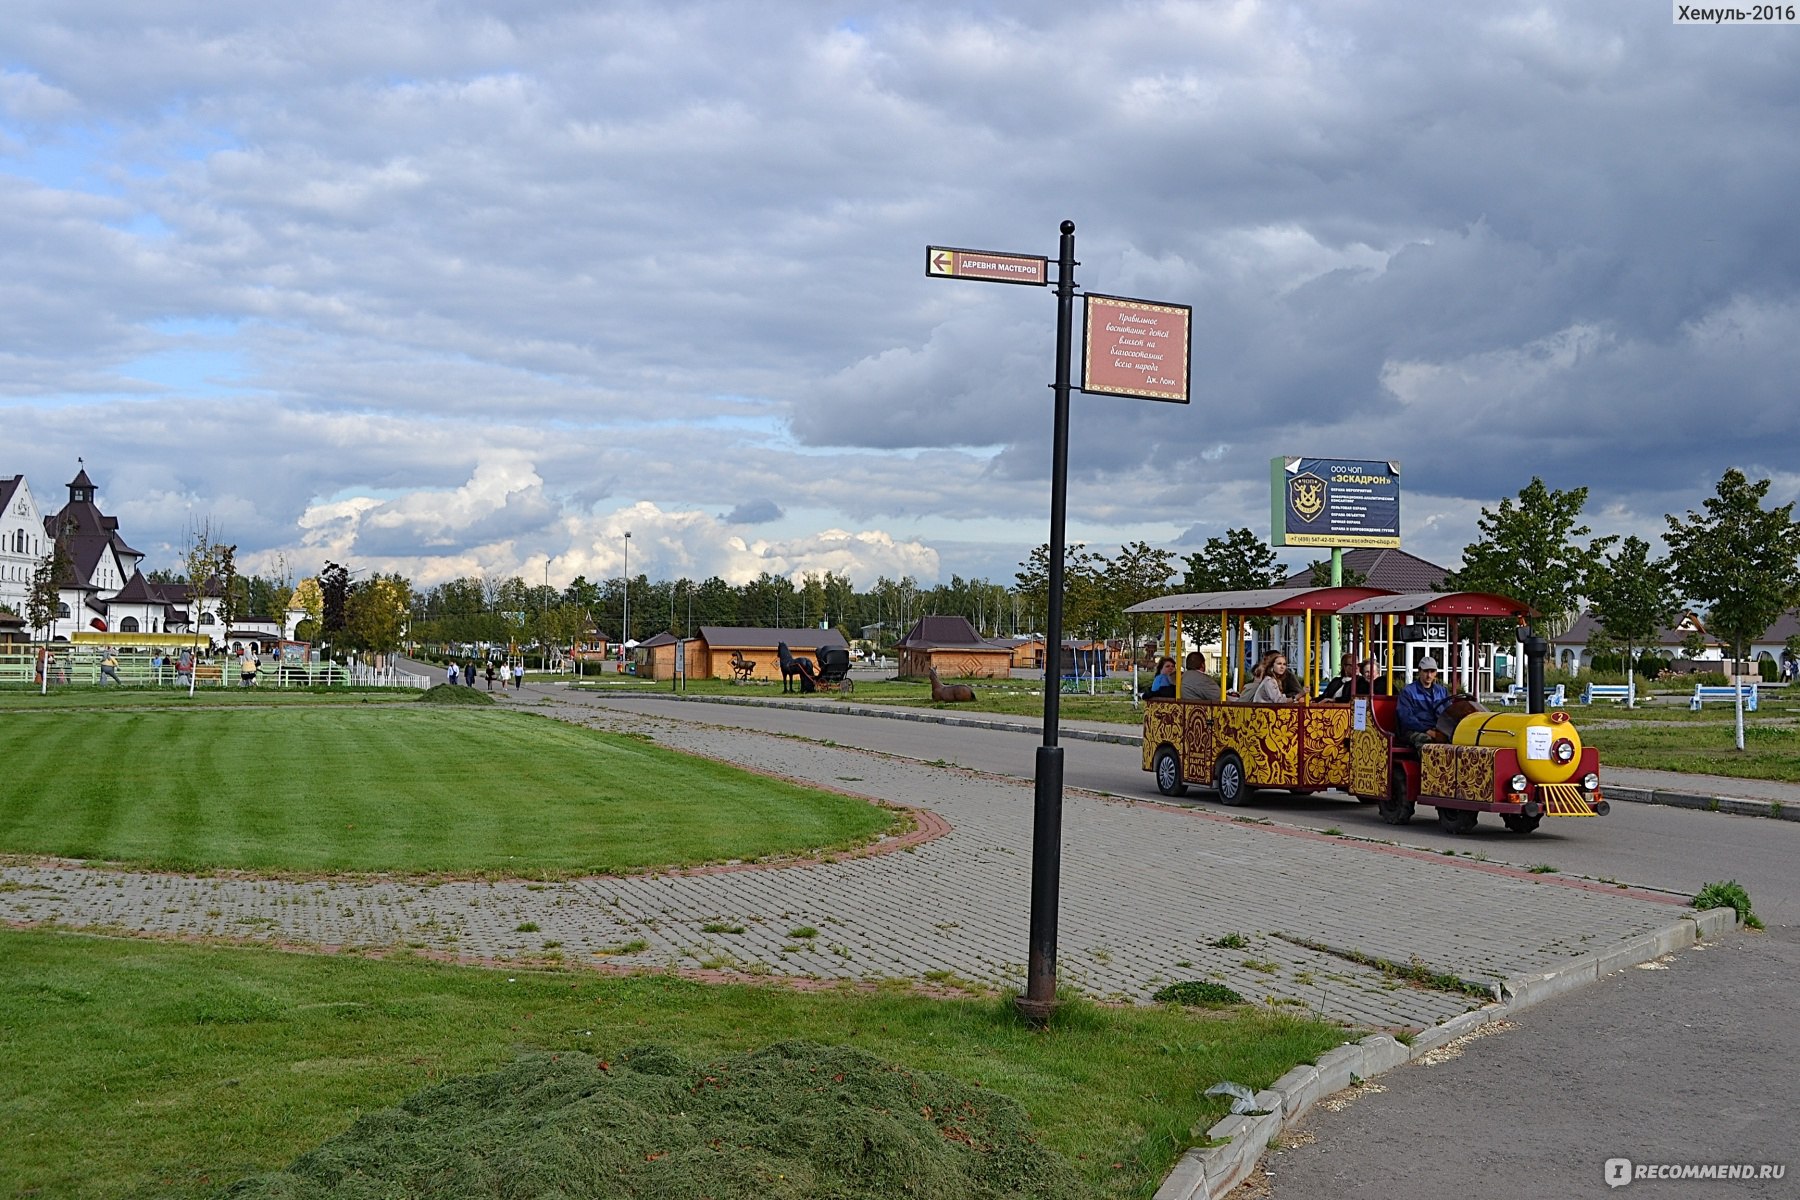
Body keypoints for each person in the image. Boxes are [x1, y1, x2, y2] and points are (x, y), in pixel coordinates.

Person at [1396, 656, 1452, 748]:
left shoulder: (1442, 691)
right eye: (1426, 671)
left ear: (1436, 673)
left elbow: (1449, 713)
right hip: (1413, 730)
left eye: (1432, 671)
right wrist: (1428, 731)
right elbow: (1406, 718)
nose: (1429, 675)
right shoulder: (1408, 691)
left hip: (1437, 729)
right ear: (1419, 671)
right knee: (1425, 741)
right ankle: (1426, 762)